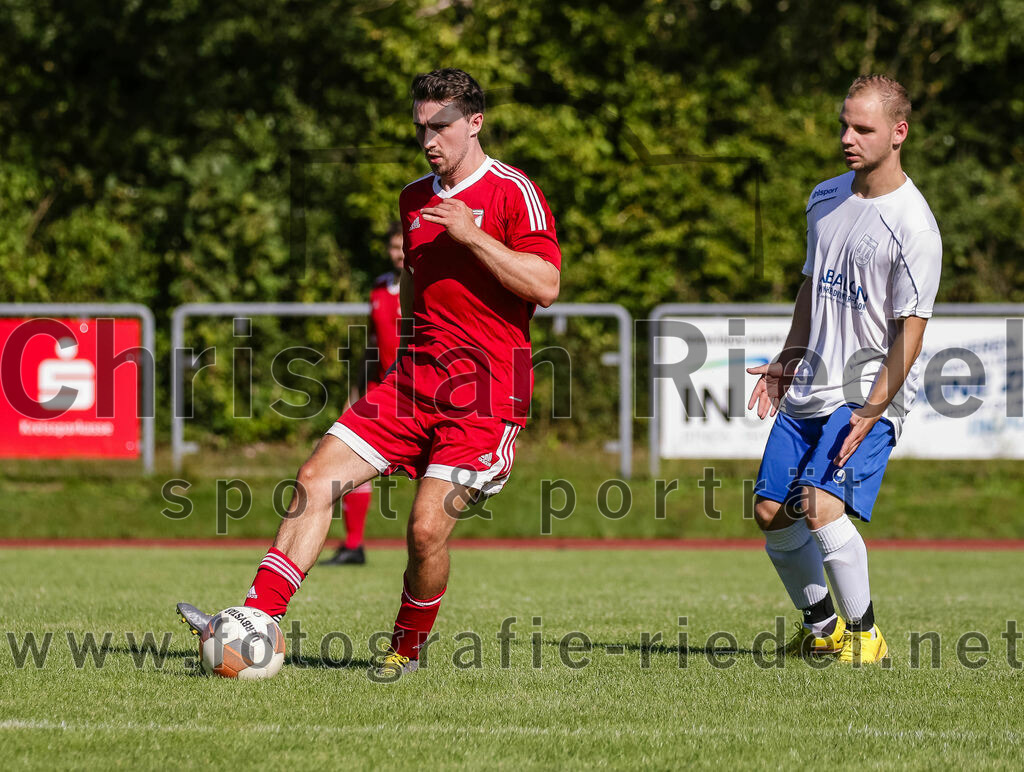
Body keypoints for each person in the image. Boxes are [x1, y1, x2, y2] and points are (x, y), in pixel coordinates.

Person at [178, 68, 561, 679]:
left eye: (441, 127)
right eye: (421, 128)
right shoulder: (414, 197)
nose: (429, 140)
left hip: (486, 396)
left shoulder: (513, 191)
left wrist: (472, 235)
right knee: (315, 476)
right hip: (414, 382)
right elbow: (414, 279)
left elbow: (547, 285)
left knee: (425, 529)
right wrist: (409, 341)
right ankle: (256, 618)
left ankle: (405, 649)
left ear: (475, 122)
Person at [746, 75, 941, 665]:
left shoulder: (913, 225)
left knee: (820, 505)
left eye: (863, 128)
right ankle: (823, 628)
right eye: (844, 124)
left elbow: (912, 328)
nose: (846, 137)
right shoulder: (824, 197)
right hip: (810, 387)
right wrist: (787, 357)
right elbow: (812, 286)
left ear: (899, 133)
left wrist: (874, 409)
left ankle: (866, 635)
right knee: (771, 512)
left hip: (864, 395)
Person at [321, 221, 406, 566]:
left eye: (404, 246)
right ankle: (353, 545)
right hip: (380, 390)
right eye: (393, 247)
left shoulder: (429, 286)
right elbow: (371, 346)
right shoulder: (379, 288)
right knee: (346, 459)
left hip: (417, 391)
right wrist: (355, 391)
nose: (398, 253)